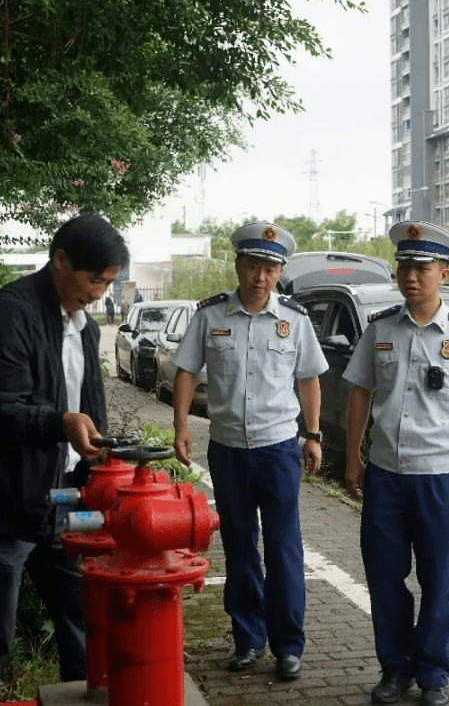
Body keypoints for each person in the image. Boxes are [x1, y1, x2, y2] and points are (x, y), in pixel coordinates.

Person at [0, 213, 129, 706]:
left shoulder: (86, 327)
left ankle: (85, 698)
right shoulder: (11, 314)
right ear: (60, 261)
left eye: (109, 284)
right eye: (94, 280)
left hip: (67, 497)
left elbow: (93, 408)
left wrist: (103, 461)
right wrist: (60, 423)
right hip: (5, 500)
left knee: (84, 619)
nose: (99, 293)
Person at [343, 221, 449, 706]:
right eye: (405, 266)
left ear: (443, 272)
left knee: (438, 578)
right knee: (384, 575)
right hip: (386, 476)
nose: (411, 276)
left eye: (422, 267)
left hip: (437, 476)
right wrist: (353, 458)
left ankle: (434, 673)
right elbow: (359, 393)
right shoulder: (381, 329)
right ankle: (395, 668)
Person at [171, 222, 328, 683]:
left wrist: (313, 434)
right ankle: (247, 639)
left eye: (270, 268)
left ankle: (288, 646)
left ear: (279, 272)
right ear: (238, 265)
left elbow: (309, 379)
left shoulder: (295, 321)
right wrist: (180, 425)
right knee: (239, 546)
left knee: (282, 548)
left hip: (278, 448)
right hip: (228, 450)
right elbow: (184, 369)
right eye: (253, 266)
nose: (261, 277)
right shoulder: (211, 317)